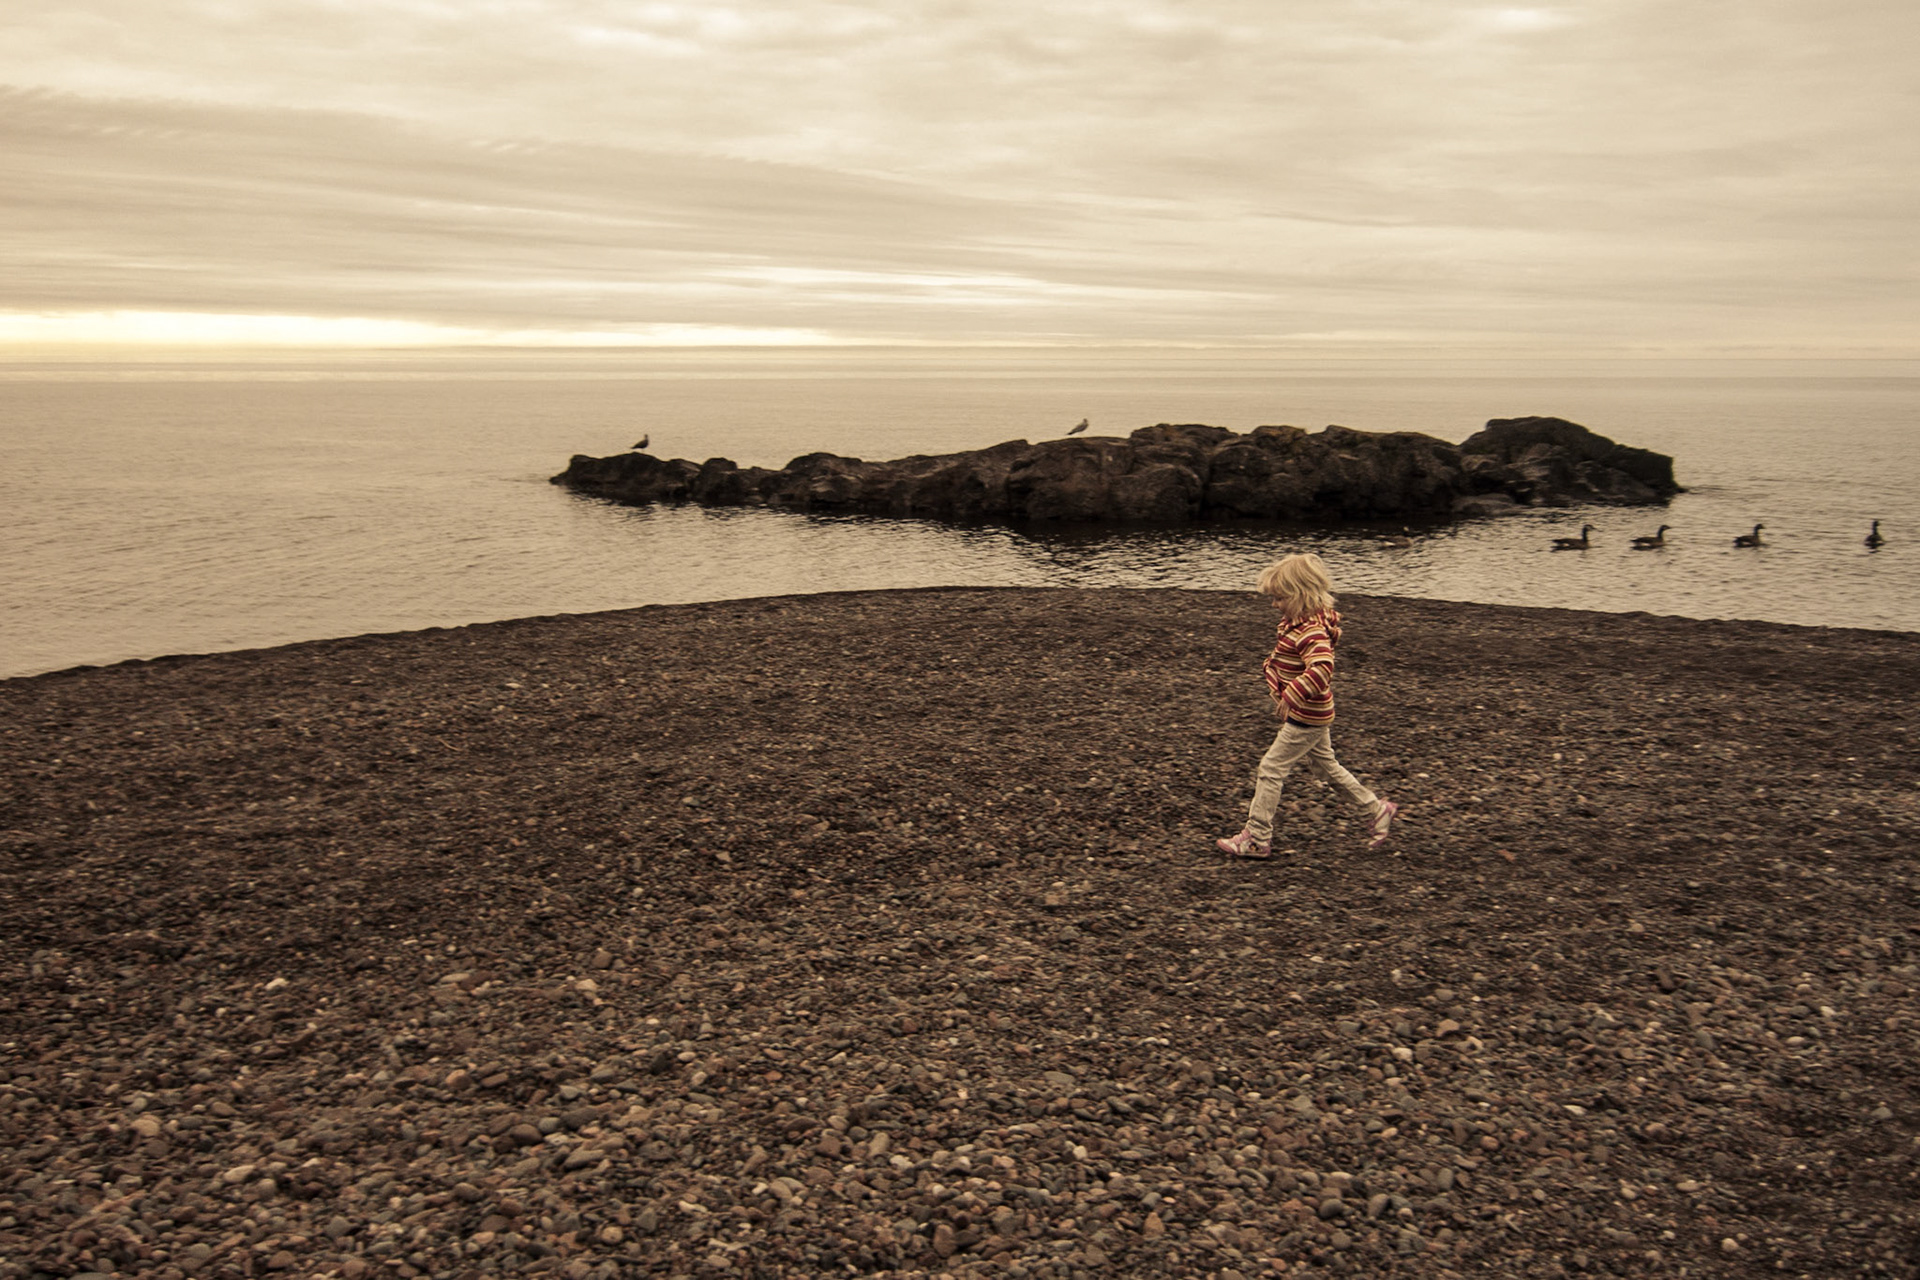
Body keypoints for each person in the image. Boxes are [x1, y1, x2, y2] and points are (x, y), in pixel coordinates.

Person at [1216, 553, 1397, 860]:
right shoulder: (1298, 623)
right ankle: (1376, 808)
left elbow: (1322, 667)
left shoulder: (1310, 630)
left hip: (1307, 716)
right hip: (1315, 713)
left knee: (1271, 768)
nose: (1274, 604)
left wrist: (1291, 696)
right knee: (1326, 767)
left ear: (1300, 595)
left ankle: (1257, 837)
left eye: (1279, 598)